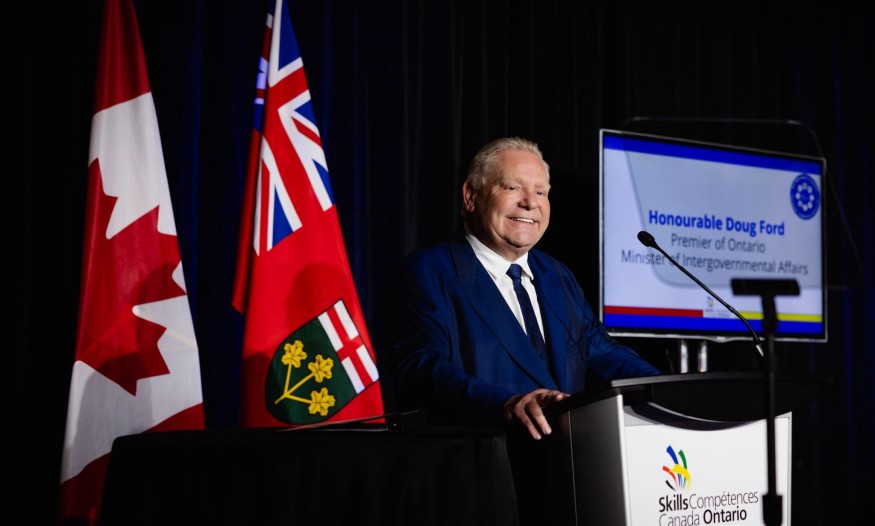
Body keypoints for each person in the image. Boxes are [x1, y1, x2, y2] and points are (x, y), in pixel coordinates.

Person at [383, 136, 660, 524]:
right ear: (471, 196)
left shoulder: (557, 275)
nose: (531, 203)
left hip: (570, 483)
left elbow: (600, 352)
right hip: (485, 487)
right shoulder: (428, 273)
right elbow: (421, 370)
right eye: (513, 187)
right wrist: (505, 405)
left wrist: (665, 389)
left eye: (541, 192)